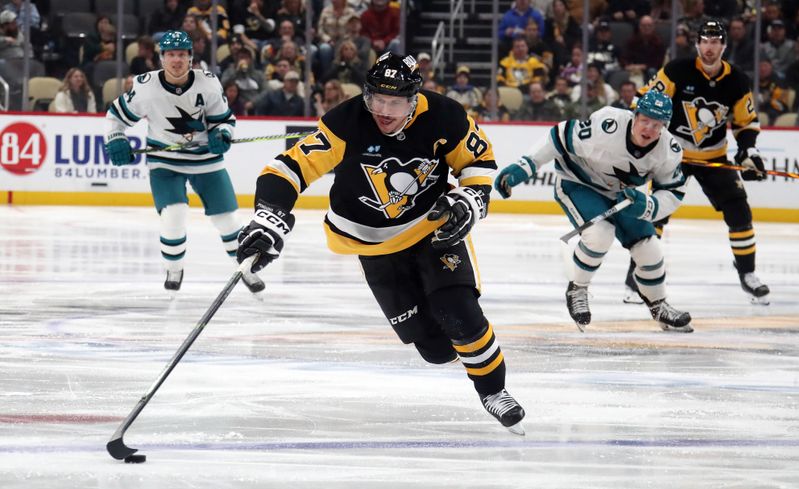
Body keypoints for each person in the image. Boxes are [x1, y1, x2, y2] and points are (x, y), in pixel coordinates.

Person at [235, 52, 526, 434]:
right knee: (436, 351)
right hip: (370, 243)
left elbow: (478, 161)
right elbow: (288, 168)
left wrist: (472, 198)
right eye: (377, 100)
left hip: (432, 228)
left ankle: (494, 391)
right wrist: (269, 215)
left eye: (395, 102)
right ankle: (463, 350)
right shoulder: (346, 120)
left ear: (414, 98)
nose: (384, 111)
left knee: (458, 311)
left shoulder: (445, 116)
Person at [494, 90, 694, 333]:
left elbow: (673, 193)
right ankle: (578, 288)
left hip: (621, 195)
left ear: (665, 126)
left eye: (657, 124)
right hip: (578, 182)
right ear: (635, 115)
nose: (649, 129)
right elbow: (559, 136)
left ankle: (658, 305)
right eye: (645, 120)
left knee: (649, 247)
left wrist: (647, 206)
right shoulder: (608, 125)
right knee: (600, 234)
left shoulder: (669, 150)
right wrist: (526, 165)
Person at [103, 30, 265, 294]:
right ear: (161, 58)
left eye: (181, 54)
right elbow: (115, 116)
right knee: (173, 215)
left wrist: (222, 134)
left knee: (228, 220)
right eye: (170, 55)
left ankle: (245, 268)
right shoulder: (145, 86)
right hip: (165, 161)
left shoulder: (209, 83)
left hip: (206, 160)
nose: (176, 60)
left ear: (190, 58)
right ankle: (173, 268)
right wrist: (115, 138)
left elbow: (224, 120)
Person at [623, 19, 771, 305]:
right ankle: (637, 277)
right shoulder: (678, 70)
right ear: (697, 44)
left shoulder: (737, 80)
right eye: (705, 41)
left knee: (739, 211)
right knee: (655, 215)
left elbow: (746, 123)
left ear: (724, 46)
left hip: (713, 156)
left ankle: (748, 274)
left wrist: (749, 152)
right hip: (674, 155)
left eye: (715, 41)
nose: (709, 47)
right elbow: (644, 100)